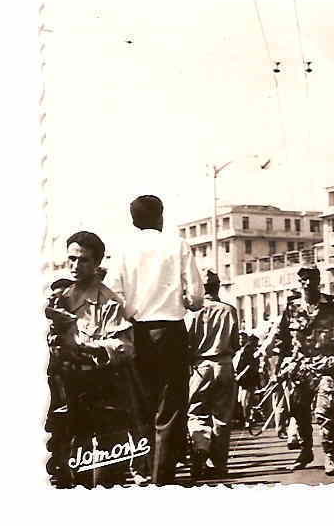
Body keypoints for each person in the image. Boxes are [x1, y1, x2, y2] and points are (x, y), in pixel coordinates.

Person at [105, 195, 203, 485]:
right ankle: (163, 477)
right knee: (170, 409)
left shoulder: (123, 249)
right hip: (171, 332)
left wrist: (131, 312)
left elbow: (113, 295)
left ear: (134, 221)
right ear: (161, 217)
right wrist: (182, 300)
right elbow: (196, 297)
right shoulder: (177, 245)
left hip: (137, 332)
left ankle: (143, 471)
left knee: (141, 406)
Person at [48, 231, 148, 486]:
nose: (75, 266)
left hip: (102, 385)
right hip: (68, 386)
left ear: (96, 264)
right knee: (74, 448)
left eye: (83, 260)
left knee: (105, 454)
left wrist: (92, 348)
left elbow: (124, 345)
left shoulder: (108, 301)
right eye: (71, 259)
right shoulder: (61, 298)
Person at [276, 264, 334, 476]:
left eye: (312, 279)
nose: (308, 283)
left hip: (326, 366)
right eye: (303, 279)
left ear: (318, 281)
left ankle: (330, 455)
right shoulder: (292, 308)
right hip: (301, 368)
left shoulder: (333, 306)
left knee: (324, 411)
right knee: (299, 411)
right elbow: (283, 340)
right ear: (300, 282)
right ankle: (306, 451)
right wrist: (282, 365)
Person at [185, 270, 239, 480]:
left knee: (196, 412)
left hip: (200, 366)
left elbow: (187, 342)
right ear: (218, 287)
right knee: (222, 417)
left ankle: (200, 446)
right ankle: (219, 464)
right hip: (224, 364)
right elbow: (235, 343)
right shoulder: (229, 310)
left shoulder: (192, 312)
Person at [235, 332, 260, 428]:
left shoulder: (248, 350)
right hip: (243, 378)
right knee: (243, 400)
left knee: (246, 400)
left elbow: (249, 365)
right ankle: (246, 418)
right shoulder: (241, 350)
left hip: (248, 378)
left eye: (242, 338)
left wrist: (240, 375)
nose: (241, 340)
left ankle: (247, 419)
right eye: (239, 338)